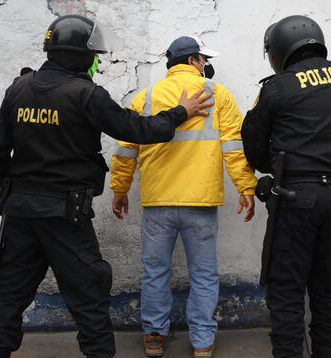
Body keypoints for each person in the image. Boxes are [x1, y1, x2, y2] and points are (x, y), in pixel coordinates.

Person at [0, 15, 213, 358]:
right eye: (94, 54)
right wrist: (179, 112)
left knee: (11, 293)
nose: (97, 60)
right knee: (89, 294)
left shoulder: (18, 89)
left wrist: (8, 202)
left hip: (21, 212)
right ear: (79, 54)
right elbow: (139, 130)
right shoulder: (86, 94)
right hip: (64, 214)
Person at [109, 36, 257, 357]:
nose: (206, 65)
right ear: (192, 61)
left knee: (155, 272)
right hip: (200, 203)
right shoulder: (218, 95)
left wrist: (120, 190)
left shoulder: (146, 97)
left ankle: (153, 338)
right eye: (203, 59)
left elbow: (124, 150)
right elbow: (234, 146)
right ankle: (202, 342)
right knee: (203, 275)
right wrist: (246, 186)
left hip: (158, 203)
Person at [241, 15, 331, 358]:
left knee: (287, 288)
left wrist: (276, 165)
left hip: (297, 200)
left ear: (279, 49)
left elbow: (253, 146)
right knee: (328, 288)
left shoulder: (278, 86)